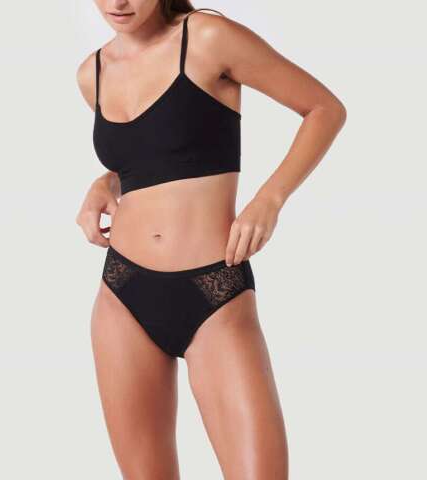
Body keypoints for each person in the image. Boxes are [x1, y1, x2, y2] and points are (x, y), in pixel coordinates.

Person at [75, 1, 346, 478]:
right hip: (123, 294)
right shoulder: (91, 74)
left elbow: (324, 109)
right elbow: (150, 156)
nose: (118, 3)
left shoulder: (206, 38)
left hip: (214, 290)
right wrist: (107, 182)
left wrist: (268, 200)